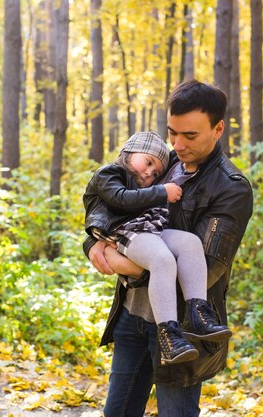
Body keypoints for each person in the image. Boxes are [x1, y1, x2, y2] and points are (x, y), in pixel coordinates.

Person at [83, 79, 253, 417]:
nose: (178, 143)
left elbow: (206, 268)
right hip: (133, 314)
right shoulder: (158, 163)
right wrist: (91, 244)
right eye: (172, 132)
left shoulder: (231, 188)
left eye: (190, 135)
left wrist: (117, 259)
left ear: (218, 129)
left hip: (184, 329)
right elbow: (109, 205)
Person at [83, 131, 232, 366]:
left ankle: (198, 312)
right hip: (124, 231)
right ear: (129, 151)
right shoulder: (108, 173)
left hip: (148, 228)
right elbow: (121, 199)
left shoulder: (221, 179)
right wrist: (163, 191)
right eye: (148, 162)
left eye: (155, 174)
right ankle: (169, 335)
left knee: (190, 243)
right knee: (162, 259)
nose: (148, 174)